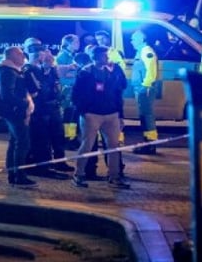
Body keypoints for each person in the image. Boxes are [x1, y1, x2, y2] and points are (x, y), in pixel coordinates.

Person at [71, 46, 129, 189]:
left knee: (113, 146)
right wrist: (84, 111)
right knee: (87, 145)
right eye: (104, 56)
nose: (108, 58)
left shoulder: (115, 70)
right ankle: (78, 174)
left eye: (108, 55)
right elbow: (76, 94)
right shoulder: (86, 72)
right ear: (95, 57)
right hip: (92, 114)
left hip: (112, 113)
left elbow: (121, 89)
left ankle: (114, 176)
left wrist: (120, 114)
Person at [0, 46, 37, 188]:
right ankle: (19, 176)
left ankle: (13, 174)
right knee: (22, 143)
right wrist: (23, 105)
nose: (24, 57)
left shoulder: (12, 71)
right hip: (14, 112)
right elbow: (7, 95)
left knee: (15, 142)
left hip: (13, 111)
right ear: (12, 56)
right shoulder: (8, 72)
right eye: (21, 54)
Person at [23, 47, 72, 178]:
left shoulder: (50, 70)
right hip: (40, 109)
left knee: (57, 136)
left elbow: (55, 85)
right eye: (47, 55)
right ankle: (42, 168)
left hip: (52, 106)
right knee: (42, 139)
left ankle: (59, 162)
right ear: (39, 56)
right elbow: (38, 89)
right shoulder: (30, 70)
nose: (51, 58)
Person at [130, 30, 159, 155]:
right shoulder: (141, 50)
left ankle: (150, 145)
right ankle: (148, 143)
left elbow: (151, 70)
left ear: (141, 39)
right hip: (141, 88)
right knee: (144, 116)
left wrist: (145, 85)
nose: (131, 42)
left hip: (144, 88)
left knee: (147, 116)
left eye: (134, 39)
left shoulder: (146, 51)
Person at [55, 34, 81, 146]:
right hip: (67, 89)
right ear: (68, 44)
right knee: (68, 115)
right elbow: (62, 75)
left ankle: (72, 137)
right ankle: (68, 139)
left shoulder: (71, 55)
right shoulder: (62, 57)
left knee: (73, 116)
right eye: (76, 42)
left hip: (73, 89)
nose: (78, 44)